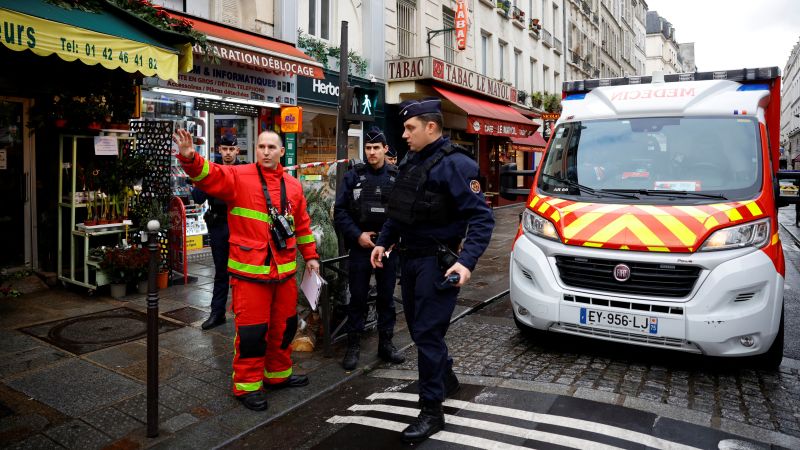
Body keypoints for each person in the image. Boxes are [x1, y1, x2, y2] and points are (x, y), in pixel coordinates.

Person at [370, 98, 494, 443]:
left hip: (436, 264)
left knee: (426, 334)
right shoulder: (412, 160)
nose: (405, 135)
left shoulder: (456, 165)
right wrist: (383, 241)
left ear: (431, 127)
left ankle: (431, 411)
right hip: (409, 261)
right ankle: (447, 378)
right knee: (420, 329)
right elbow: (399, 210)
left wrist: (465, 261)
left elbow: (482, 218)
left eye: (410, 128)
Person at [173, 129, 321, 412]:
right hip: (250, 275)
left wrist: (311, 256)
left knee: (284, 329)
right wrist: (190, 158)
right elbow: (210, 175)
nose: (265, 151)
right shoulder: (239, 176)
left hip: (285, 274)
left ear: (281, 152)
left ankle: (277, 375)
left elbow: (301, 225)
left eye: (271, 147)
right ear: (256, 150)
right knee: (252, 335)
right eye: (261, 146)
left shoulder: (293, 186)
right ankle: (247, 386)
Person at [334, 126, 405, 371]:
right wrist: (358, 235)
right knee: (358, 298)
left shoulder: (397, 176)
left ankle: (386, 344)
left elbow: (405, 213)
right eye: (368, 148)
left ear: (386, 149)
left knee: (386, 298)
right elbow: (340, 211)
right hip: (361, 247)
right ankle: (353, 347)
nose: (372, 152)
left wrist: (393, 239)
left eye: (376, 147)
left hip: (388, 248)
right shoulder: (354, 175)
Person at [191, 134, 240, 330]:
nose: (228, 153)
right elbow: (197, 197)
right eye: (224, 149)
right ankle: (217, 313)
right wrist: (204, 177)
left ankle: (242, 313)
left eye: (231, 149)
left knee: (241, 272)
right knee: (221, 271)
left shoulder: (245, 170)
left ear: (237, 150)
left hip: (240, 224)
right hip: (219, 224)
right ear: (219, 149)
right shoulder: (212, 170)